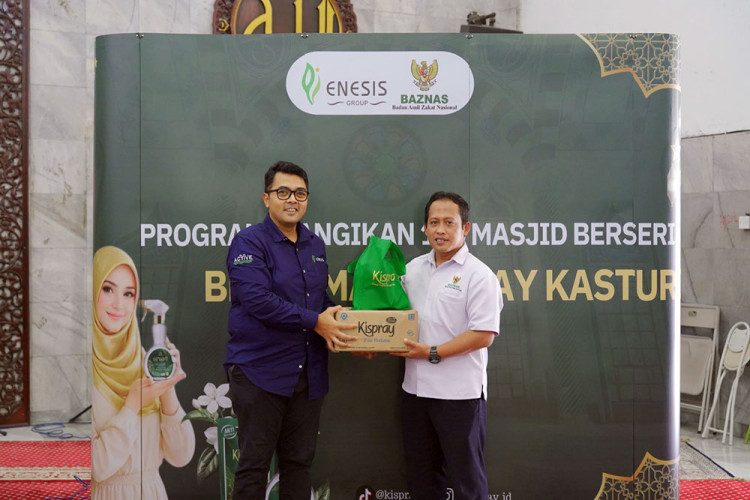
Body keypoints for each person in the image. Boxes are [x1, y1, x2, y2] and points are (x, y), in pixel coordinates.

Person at [225, 160, 357, 499]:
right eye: (282, 192)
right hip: (260, 372)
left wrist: (350, 330)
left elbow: (319, 300)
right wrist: (317, 321)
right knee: (254, 465)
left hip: (308, 375)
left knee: (299, 465)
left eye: (300, 193)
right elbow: (257, 300)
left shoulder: (315, 244)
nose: (292, 199)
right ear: (266, 198)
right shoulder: (248, 242)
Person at [391, 191, 503, 500]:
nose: (440, 230)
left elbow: (483, 334)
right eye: (434, 222)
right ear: (425, 228)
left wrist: (431, 352)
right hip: (415, 393)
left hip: (460, 397)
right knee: (422, 480)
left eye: (449, 222)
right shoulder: (411, 270)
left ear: (465, 228)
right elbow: (395, 319)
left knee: (467, 482)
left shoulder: (479, 275)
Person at [91, 246, 195, 500]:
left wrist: (167, 388)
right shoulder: (80, 369)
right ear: (91, 290)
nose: (119, 304)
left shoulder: (147, 363)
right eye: (108, 289)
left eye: (129, 294)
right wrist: (131, 406)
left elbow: (181, 456)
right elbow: (97, 468)